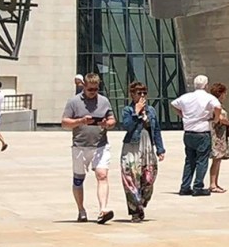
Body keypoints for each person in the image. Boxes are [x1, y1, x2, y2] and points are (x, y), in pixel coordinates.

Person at [62, 73, 116, 224]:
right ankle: (81, 209)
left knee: (102, 175)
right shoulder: (73, 102)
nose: (93, 92)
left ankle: (103, 209)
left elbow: (112, 120)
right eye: (90, 89)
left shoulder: (104, 101)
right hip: (80, 146)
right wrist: (80, 121)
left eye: (96, 89)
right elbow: (65, 123)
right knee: (79, 179)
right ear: (84, 86)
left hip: (100, 145)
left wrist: (107, 123)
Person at [119, 81, 166, 221]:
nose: (142, 96)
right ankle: (135, 211)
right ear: (132, 94)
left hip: (147, 147)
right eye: (139, 93)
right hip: (132, 147)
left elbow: (156, 129)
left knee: (148, 179)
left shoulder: (151, 111)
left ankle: (141, 203)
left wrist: (160, 148)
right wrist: (136, 112)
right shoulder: (127, 110)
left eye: (144, 93)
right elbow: (127, 126)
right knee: (131, 179)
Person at [171, 74, 222, 196]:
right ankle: (198, 186)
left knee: (189, 160)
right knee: (202, 160)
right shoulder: (208, 97)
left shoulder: (187, 97)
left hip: (188, 132)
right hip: (202, 132)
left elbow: (173, 104)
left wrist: (182, 115)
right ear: (206, 85)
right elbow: (218, 107)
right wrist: (215, 119)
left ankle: (185, 186)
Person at [208, 82, 229, 193]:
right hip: (217, 135)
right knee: (216, 160)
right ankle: (213, 184)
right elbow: (219, 118)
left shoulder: (214, 104)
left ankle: (215, 183)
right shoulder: (215, 105)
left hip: (220, 135)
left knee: (218, 161)